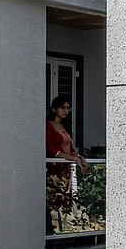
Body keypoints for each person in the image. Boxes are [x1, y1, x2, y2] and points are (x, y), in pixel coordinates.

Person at [46, 96, 87, 230]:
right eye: (62, 107)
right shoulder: (49, 126)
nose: (65, 110)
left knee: (63, 202)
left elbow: (71, 149)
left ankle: (61, 229)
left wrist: (79, 157)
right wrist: (73, 158)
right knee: (52, 200)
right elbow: (51, 150)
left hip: (65, 170)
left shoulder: (65, 126)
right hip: (53, 169)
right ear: (54, 109)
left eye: (68, 108)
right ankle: (49, 229)